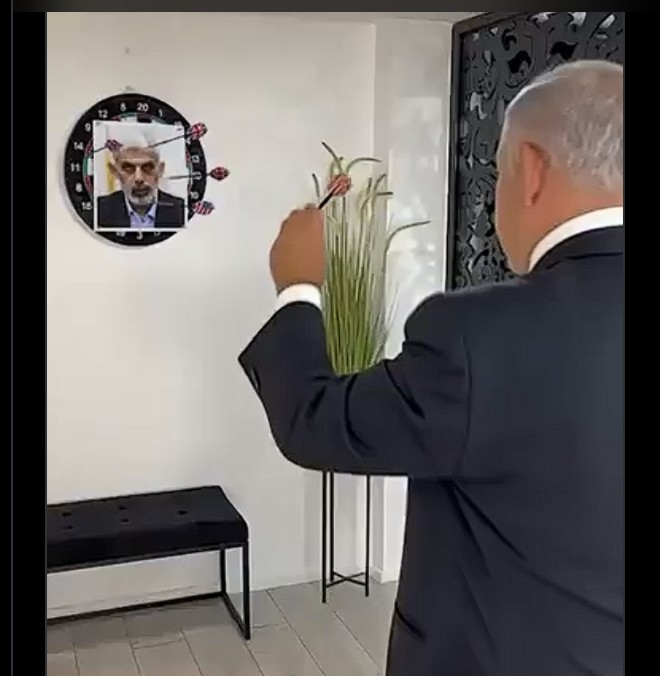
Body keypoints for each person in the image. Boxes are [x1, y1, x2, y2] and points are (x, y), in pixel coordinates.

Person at [239, 59, 623, 676]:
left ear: (530, 170)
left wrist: (298, 286)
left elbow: (316, 421)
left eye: (497, 170)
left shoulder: (478, 335)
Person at [96, 136, 186, 230]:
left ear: (160, 170)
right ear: (115, 172)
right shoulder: (99, 210)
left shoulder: (181, 210)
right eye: (128, 168)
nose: (139, 178)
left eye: (148, 167)